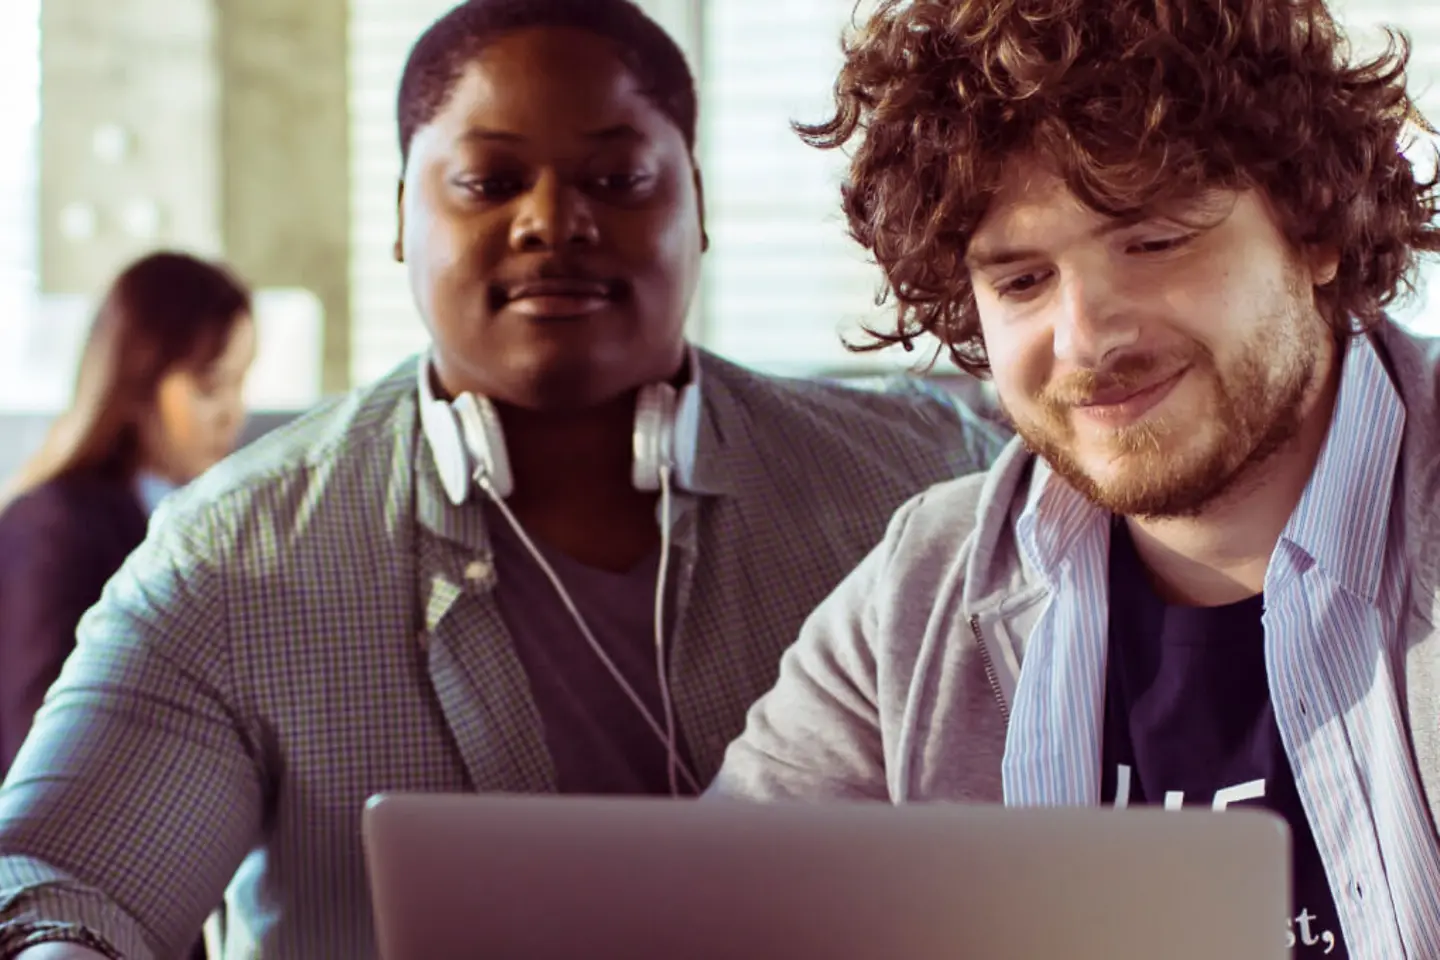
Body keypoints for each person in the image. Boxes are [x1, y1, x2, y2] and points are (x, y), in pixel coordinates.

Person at [0, 1, 1005, 957]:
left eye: (617, 181)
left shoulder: (919, 481)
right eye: (489, 183)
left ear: (698, 205)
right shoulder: (235, 554)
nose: (552, 222)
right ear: (401, 216)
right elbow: (56, 880)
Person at [710, 0, 1440, 956]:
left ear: (1316, 230)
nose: (1087, 336)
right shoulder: (923, 592)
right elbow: (714, 913)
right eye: (1021, 282)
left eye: (1154, 241)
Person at [0, 251, 255, 776]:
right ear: (140, 381)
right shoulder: (55, 525)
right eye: (210, 386)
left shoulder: (201, 514)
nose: (234, 412)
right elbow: (38, 743)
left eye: (239, 382)